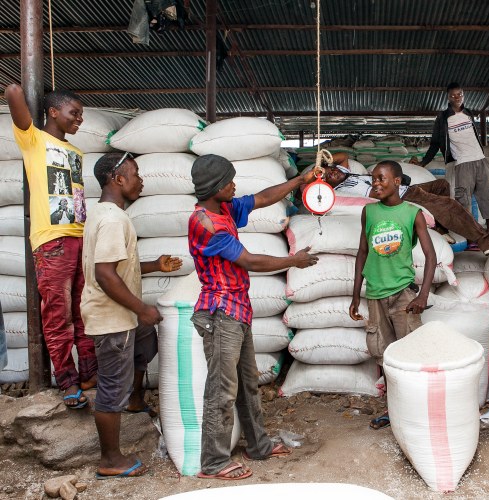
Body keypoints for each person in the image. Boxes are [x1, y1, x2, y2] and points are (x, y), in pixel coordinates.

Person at [189, 154, 319, 480]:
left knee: (248, 384)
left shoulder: (224, 208)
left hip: (237, 310)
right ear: (216, 186)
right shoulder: (206, 223)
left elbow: (261, 199)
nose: (234, 185)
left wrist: (299, 181)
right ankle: (214, 462)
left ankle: (258, 445)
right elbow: (249, 261)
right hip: (220, 314)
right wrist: (293, 261)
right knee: (222, 390)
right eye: (229, 181)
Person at [81, 152, 183, 479]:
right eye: (136, 174)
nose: (141, 181)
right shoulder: (113, 220)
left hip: (124, 315)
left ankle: (135, 400)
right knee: (112, 387)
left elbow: (117, 267)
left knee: (145, 345)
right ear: (118, 179)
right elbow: (105, 274)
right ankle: (110, 459)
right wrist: (143, 309)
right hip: (113, 318)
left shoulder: (106, 214)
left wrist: (155, 266)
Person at [5, 84, 97, 408]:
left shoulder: (75, 151)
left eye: (82, 114)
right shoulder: (33, 140)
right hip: (52, 241)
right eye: (75, 113)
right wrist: (37, 91)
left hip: (80, 238)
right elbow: (13, 92)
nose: (80, 119)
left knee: (84, 311)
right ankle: (68, 381)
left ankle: (89, 374)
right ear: (54, 112)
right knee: (58, 315)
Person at [349, 161, 436, 430]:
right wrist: (356, 295)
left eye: (381, 178)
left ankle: (417, 409)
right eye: (373, 179)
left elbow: (431, 256)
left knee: (410, 354)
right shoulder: (369, 212)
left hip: (403, 295)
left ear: (397, 182)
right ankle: (393, 409)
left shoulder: (413, 214)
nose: (375, 183)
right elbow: (362, 252)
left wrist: (422, 295)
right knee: (385, 356)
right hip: (375, 294)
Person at [322, 163, 489, 255]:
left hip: (408, 189)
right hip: (404, 195)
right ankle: (484, 240)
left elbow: (341, 157)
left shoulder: (350, 175)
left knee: (441, 185)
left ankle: (441, 227)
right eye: (328, 175)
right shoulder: (344, 188)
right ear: (326, 184)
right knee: (448, 205)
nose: (333, 171)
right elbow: (377, 194)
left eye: (332, 168)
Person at [416, 83, 489, 234]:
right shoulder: (443, 117)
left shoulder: (468, 113)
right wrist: (424, 162)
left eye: (459, 94)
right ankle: (471, 237)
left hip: (481, 160)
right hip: (463, 163)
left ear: (463, 95)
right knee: (463, 202)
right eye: (453, 95)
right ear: (448, 97)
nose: (457, 98)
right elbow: (435, 143)